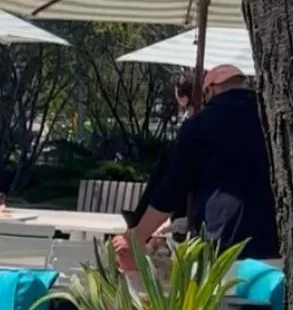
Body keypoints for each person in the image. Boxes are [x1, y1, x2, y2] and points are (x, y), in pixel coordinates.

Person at [118, 64, 279, 261]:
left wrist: (136, 238)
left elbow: (169, 192)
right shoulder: (273, 118)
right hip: (276, 241)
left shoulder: (198, 126)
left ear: (210, 89)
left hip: (222, 244)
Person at [124, 74, 196, 229]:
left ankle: (140, 216)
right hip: (184, 195)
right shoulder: (196, 118)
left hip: (184, 196)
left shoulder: (192, 122)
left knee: (166, 164)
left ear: (183, 98)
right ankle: (140, 216)